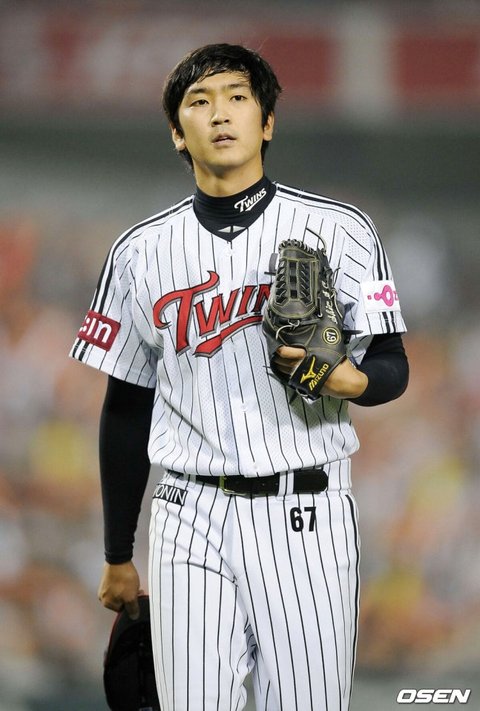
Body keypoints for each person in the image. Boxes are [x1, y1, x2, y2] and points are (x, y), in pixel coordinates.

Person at [70, 43, 408, 711]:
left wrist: (352, 383)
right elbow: (126, 406)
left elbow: (393, 362)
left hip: (307, 511)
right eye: (199, 102)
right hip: (187, 514)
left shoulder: (344, 229)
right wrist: (116, 552)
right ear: (178, 132)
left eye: (237, 97)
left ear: (267, 121)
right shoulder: (139, 252)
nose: (219, 113)